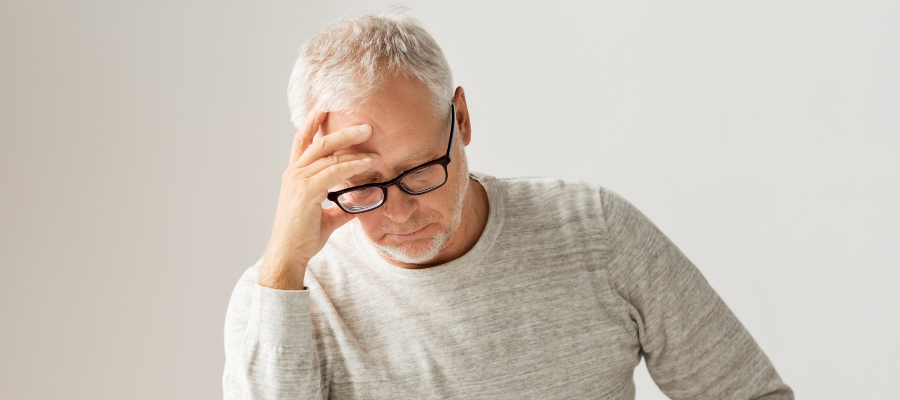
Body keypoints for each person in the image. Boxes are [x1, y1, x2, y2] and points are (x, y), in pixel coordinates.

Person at [223, 8, 793, 400]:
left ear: (462, 120)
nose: (397, 214)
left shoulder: (594, 231)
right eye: (362, 186)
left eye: (420, 170)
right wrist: (282, 270)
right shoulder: (283, 295)